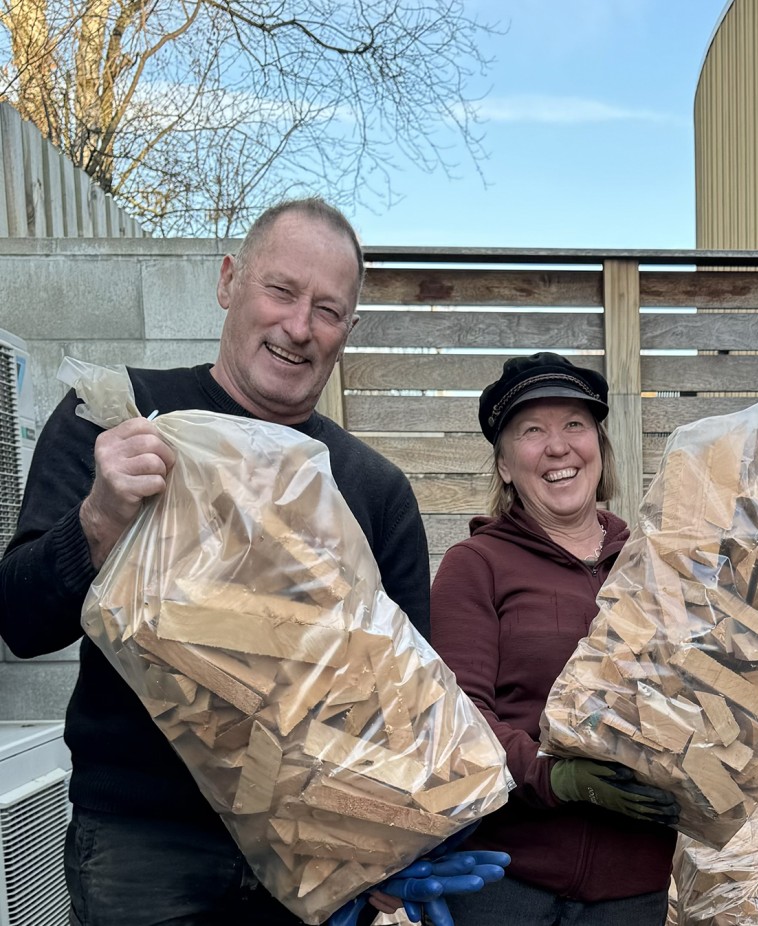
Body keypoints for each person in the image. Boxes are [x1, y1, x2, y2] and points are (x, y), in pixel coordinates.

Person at [0, 198, 476, 924]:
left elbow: (404, 711)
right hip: (144, 844)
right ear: (228, 282)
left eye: (327, 309)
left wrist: (396, 844)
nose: (298, 327)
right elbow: (21, 622)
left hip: (313, 848)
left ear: (349, 329)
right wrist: (99, 517)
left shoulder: (373, 490)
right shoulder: (117, 416)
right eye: (280, 291)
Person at [430, 352, 679, 925]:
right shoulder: (475, 565)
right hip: (505, 882)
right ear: (504, 465)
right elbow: (458, 717)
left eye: (574, 424)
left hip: (633, 884)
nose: (558, 446)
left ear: (599, 445)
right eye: (532, 431)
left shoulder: (655, 561)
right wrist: (554, 777)